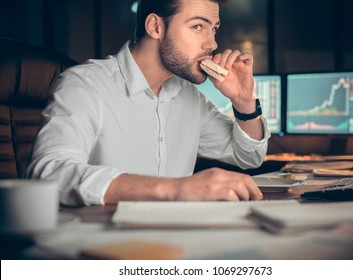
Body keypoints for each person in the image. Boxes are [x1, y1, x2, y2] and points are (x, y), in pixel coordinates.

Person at [24, 0, 271, 206]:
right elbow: (48, 173)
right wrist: (175, 189)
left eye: (214, 29)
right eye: (198, 26)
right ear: (155, 26)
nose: (213, 44)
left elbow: (248, 157)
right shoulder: (85, 85)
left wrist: (243, 100)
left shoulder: (189, 97)